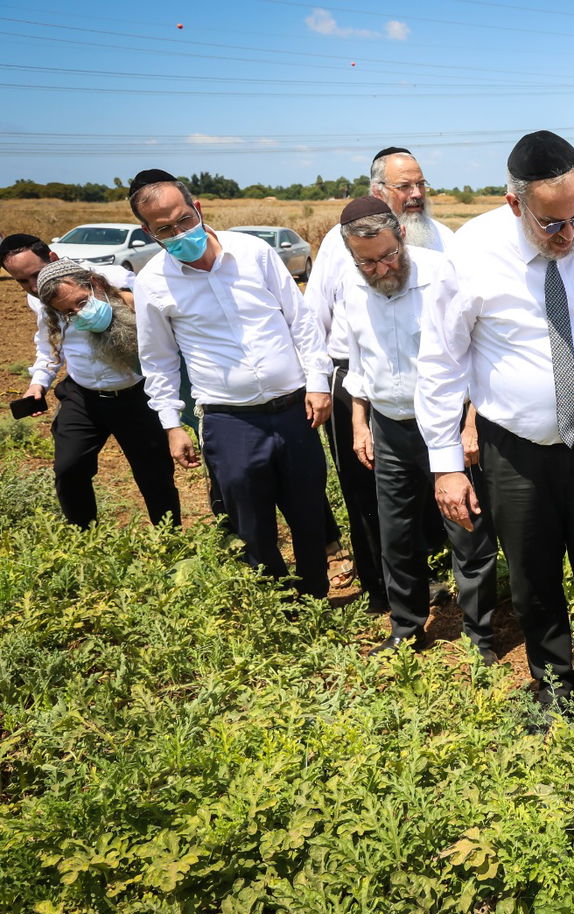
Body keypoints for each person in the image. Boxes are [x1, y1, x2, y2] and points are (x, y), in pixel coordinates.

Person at [416, 130, 574, 738]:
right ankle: (553, 685)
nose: (571, 234)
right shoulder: (471, 254)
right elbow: (440, 364)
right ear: (514, 203)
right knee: (533, 571)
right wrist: (445, 463)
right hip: (515, 451)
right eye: (552, 224)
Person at [130, 169, 334, 598]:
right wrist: (171, 424)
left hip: (295, 409)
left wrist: (318, 382)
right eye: (165, 229)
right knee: (251, 522)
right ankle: (280, 609)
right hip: (230, 420)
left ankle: (316, 596)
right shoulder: (152, 283)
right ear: (148, 233)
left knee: (309, 512)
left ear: (198, 209)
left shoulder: (252, 252)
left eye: (184, 220)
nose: (180, 232)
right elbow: (159, 362)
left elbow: (301, 321)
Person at [332, 196, 498, 659]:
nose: (382, 268)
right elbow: (358, 361)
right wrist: (360, 422)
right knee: (396, 533)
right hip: (389, 426)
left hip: (446, 426)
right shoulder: (351, 285)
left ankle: (479, 636)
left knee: (467, 530)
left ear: (401, 235)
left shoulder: (442, 274)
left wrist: (470, 423)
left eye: (388, 255)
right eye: (368, 261)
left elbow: (476, 353)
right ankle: (407, 627)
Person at [305, 147, 466, 612]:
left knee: (441, 483)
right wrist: (318, 382)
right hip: (361, 380)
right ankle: (382, 591)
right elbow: (316, 315)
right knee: (371, 496)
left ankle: (437, 577)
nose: (415, 194)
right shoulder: (341, 244)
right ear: (379, 191)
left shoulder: (443, 238)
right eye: (404, 187)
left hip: (435, 388)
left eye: (420, 185)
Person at [4, 247, 179, 529]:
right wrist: (38, 385)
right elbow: (48, 350)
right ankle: (84, 536)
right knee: (69, 468)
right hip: (83, 397)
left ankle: (170, 538)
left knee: (155, 474)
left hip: (135, 396)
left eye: (82, 303)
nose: (34, 286)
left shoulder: (119, 288)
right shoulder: (48, 305)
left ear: (93, 285)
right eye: (23, 281)